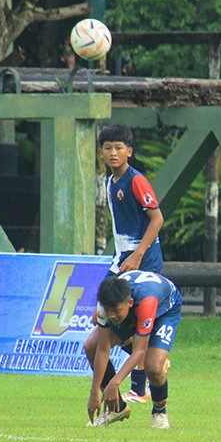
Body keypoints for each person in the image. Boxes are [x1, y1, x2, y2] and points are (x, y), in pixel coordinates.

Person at [83, 124, 166, 406]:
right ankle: (117, 398)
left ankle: (140, 387)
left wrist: (139, 255)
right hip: (121, 260)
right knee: (100, 317)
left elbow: (157, 219)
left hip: (142, 261)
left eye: (119, 148)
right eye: (108, 148)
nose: (113, 153)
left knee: (131, 318)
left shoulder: (137, 181)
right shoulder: (110, 183)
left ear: (129, 152)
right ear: (101, 152)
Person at [87, 270, 181, 429]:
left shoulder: (146, 302)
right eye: (108, 312)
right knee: (91, 346)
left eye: (116, 311)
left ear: (129, 303)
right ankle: (117, 409)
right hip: (134, 310)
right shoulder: (105, 307)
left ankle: (159, 412)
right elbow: (103, 349)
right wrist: (94, 392)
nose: (112, 316)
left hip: (165, 309)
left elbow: (139, 351)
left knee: (153, 367)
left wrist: (115, 382)